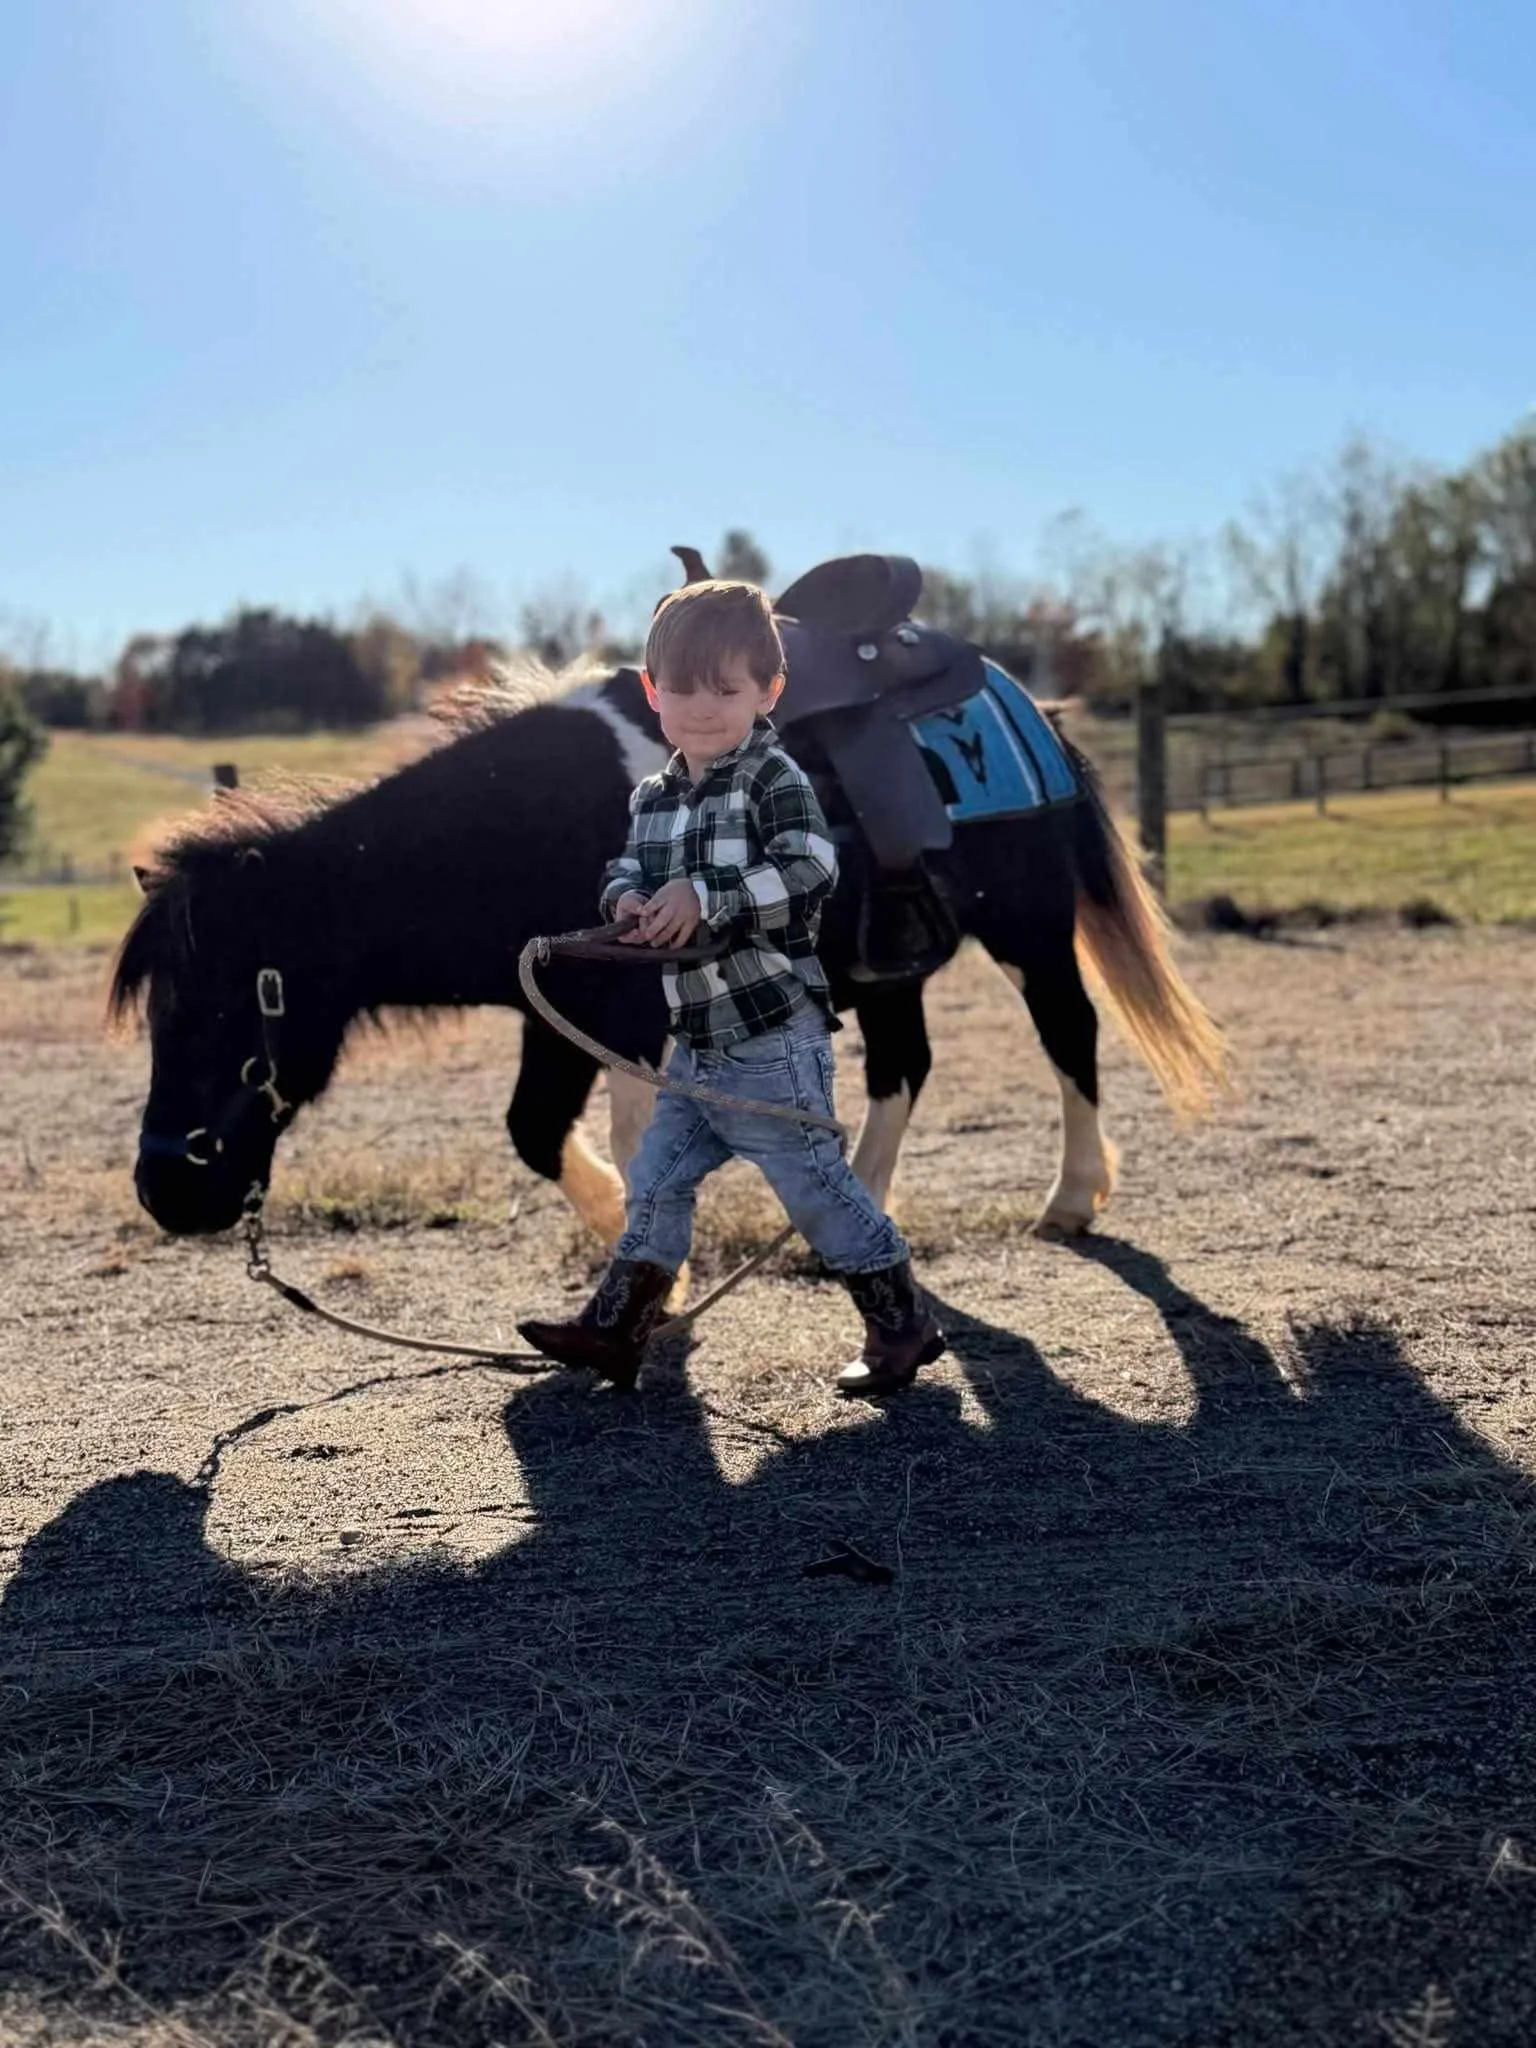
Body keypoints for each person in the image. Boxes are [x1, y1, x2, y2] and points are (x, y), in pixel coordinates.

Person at [518, 579, 944, 1397]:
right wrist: (628, 902)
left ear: (767, 691)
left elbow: (811, 866)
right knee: (656, 1178)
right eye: (680, 689)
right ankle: (617, 1327)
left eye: (725, 689)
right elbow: (627, 869)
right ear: (651, 692)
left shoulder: (772, 779)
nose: (701, 708)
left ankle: (902, 1322)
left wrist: (710, 897)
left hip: (773, 1036)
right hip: (700, 1042)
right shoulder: (652, 797)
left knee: (817, 1192)